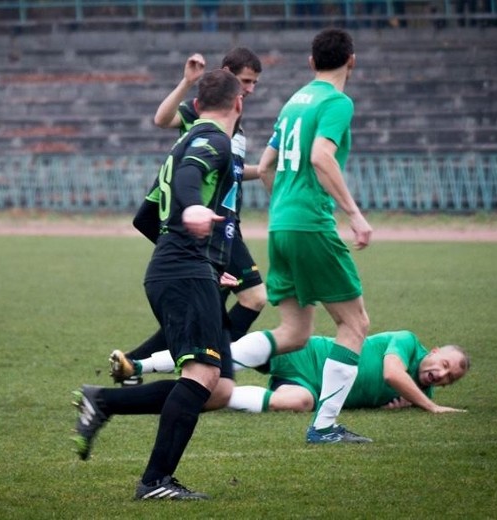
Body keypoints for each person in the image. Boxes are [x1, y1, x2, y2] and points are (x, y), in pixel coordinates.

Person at [72, 69, 243, 500]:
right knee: (203, 374)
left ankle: (105, 401)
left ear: (198, 105)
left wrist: (194, 256)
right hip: (182, 269)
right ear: (238, 104)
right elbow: (189, 179)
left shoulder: (181, 141)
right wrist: (192, 213)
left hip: (178, 266)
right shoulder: (213, 141)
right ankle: (155, 481)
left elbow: (144, 217)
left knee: (215, 385)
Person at [227, 28, 375, 444]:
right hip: (310, 224)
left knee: (294, 333)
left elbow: (267, 165)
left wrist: (284, 208)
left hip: (281, 225)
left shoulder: (295, 101)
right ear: (352, 60)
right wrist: (355, 215)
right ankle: (325, 426)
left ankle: (194, 370)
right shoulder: (336, 102)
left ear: (311, 63)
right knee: (355, 323)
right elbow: (320, 156)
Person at [112, 48, 265, 385]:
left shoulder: (235, 127)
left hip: (219, 226)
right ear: (226, 75)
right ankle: (216, 369)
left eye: (254, 83)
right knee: (250, 298)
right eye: (245, 82)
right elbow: (161, 120)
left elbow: (233, 171)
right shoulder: (206, 120)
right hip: (211, 228)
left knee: (198, 309)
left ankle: (138, 365)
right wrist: (187, 82)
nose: (250, 89)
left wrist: (266, 170)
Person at [227, 331, 470, 414]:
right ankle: (204, 362)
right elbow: (392, 374)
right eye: (444, 365)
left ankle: (216, 396)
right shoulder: (408, 341)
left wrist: (405, 404)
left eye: (448, 379)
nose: (440, 375)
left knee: (300, 402)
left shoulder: (419, 395)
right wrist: (431, 407)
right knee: (244, 356)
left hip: (311, 387)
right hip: (309, 353)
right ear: (435, 351)